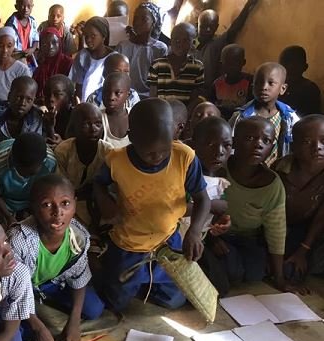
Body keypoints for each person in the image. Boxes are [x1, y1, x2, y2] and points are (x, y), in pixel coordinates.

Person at [93, 98, 210, 312]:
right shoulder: (116, 160)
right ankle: (122, 278)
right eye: (149, 152)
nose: (157, 157)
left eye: (164, 150)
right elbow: (98, 184)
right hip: (129, 245)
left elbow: (203, 199)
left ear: (174, 135)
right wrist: (106, 203)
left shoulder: (184, 157)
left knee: (175, 300)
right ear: (132, 138)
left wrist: (193, 232)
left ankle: (143, 282)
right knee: (115, 304)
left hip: (168, 242)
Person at [9, 174, 104, 341]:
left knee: (94, 308)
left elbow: (79, 276)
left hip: (50, 284)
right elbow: (12, 290)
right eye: (46, 205)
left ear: (75, 204)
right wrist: (39, 327)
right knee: (20, 336)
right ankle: (32, 314)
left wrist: (74, 322)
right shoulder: (19, 241)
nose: (58, 212)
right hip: (20, 289)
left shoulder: (78, 236)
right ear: (33, 208)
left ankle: (40, 301)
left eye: (65, 203)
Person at [211, 117, 296, 291]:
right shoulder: (219, 168)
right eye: (250, 138)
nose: (258, 145)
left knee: (255, 273)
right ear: (234, 142)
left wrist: (279, 279)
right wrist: (212, 239)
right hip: (214, 234)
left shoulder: (272, 184)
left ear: (272, 147)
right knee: (231, 272)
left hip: (247, 238)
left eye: (266, 141)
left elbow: (276, 231)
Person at [274, 115, 324, 283]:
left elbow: (320, 218)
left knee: (298, 270)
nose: (317, 147)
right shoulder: (279, 171)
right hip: (277, 229)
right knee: (279, 269)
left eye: (323, 140)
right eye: (307, 142)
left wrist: (303, 250)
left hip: (310, 232)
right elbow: (271, 217)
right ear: (293, 146)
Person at [189, 116, 232, 295]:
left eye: (226, 145)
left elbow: (215, 216)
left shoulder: (221, 177)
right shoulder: (187, 172)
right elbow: (174, 209)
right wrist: (213, 206)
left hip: (203, 238)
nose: (219, 152)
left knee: (227, 280)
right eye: (210, 144)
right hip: (178, 239)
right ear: (194, 145)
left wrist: (220, 226)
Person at [229, 62, 299, 166]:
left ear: (282, 88)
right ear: (252, 86)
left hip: (277, 172)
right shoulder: (240, 117)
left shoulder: (290, 118)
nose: (264, 87)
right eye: (258, 83)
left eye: (271, 83)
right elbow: (229, 146)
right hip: (245, 170)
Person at [0, 76, 43, 186]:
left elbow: (36, 153)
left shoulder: (36, 120)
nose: (23, 103)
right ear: (9, 96)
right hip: (6, 165)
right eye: (18, 97)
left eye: (29, 99)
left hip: (28, 169)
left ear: (33, 101)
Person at [0, 132, 57, 227]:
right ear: (13, 161)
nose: (25, 178)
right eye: (19, 171)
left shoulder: (50, 162)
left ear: (43, 162)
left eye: (31, 174)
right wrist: (9, 217)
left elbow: (48, 192)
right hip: (5, 199)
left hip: (31, 199)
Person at [54, 102, 112, 204]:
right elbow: (59, 189)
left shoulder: (108, 152)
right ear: (74, 127)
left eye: (98, 124)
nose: (93, 129)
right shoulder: (63, 151)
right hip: (67, 204)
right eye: (86, 124)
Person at [194, 0, 259, 88]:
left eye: (211, 27)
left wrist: (248, 6)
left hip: (208, 89)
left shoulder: (215, 44)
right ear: (197, 25)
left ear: (216, 27)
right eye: (204, 26)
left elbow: (234, 29)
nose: (208, 30)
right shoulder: (190, 42)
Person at [115, 3, 167, 98]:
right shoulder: (123, 46)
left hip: (149, 97)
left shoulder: (160, 49)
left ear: (153, 22)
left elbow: (160, 82)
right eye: (136, 18)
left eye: (144, 19)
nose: (138, 22)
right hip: (125, 96)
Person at [148, 23, 203, 107]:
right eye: (176, 40)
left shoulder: (197, 67)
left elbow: (194, 98)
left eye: (185, 40)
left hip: (184, 114)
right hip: (161, 113)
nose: (180, 44)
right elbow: (153, 97)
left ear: (192, 43)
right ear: (170, 41)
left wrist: (185, 114)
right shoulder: (157, 65)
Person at [0, 27, 31, 118]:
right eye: (0, 46)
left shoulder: (22, 70)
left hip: (15, 111)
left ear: (14, 47)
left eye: (9, 46)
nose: (5, 50)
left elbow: (26, 97)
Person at [68, 17, 114, 103]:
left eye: (93, 36)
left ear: (103, 36)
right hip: (84, 104)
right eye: (86, 36)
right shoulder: (83, 55)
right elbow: (79, 85)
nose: (88, 40)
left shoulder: (113, 59)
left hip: (104, 105)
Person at [208, 44, 252, 120]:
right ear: (221, 64)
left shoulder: (250, 83)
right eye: (228, 62)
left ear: (243, 62)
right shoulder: (217, 84)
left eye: (236, 62)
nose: (232, 66)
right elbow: (211, 107)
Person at [279, 46, 322, 116]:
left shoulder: (309, 89)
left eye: (295, 64)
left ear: (305, 67)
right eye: (286, 63)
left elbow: (313, 119)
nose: (290, 67)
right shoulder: (274, 87)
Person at [33, 27, 72, 101]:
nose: (50, 47)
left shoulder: (68, 63)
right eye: (45, 43)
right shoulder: (39, 65)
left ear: (60, 43)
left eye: (54, 42)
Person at [101, 72, 131, 148]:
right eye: (106, 92)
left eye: (117, 93)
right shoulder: (98, 119)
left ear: (128, 95)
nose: (111, 97)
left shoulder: (135, 116)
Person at [43, 75, 74, 142]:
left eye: (57, 94)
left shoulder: (77, 119)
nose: (51, 99)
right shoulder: (42, 117)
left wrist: (62, 143)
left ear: (70, 99)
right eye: (47, 95)